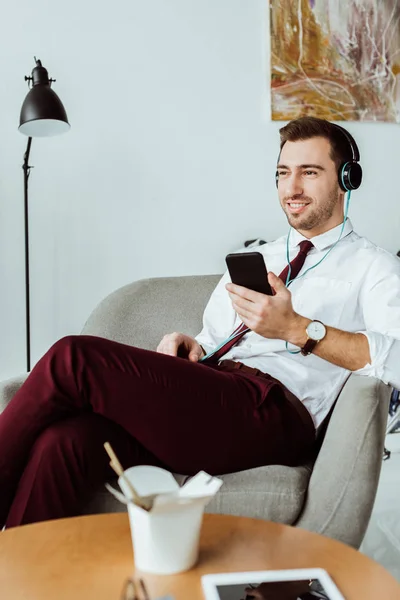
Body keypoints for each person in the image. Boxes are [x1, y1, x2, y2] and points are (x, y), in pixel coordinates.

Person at [1, 116, 400, 529]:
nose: (292, 188)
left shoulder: (374, 267)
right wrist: (195, 349)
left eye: (309, 173)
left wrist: (298, 329)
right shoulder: (259, 258)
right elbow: (213, 337)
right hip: (218, 398)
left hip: (275, 414)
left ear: (346, 180)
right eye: (283, 173)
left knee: (74, 357)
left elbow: (396, 360)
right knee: (65, 442)